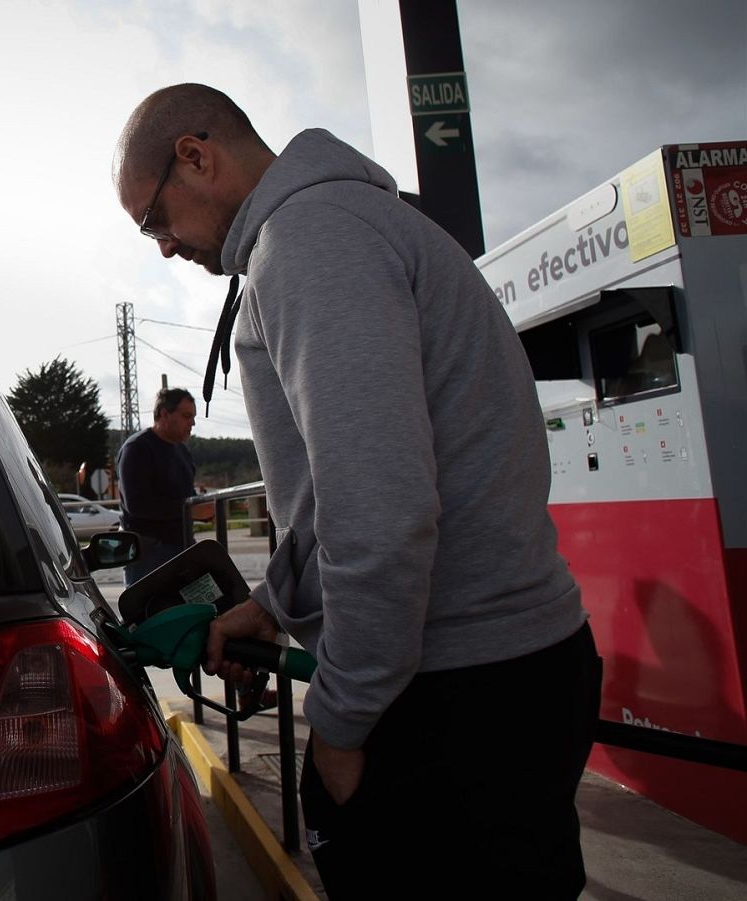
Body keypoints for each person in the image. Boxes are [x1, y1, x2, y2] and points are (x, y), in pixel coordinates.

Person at [114, 84, 601, 897]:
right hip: (500, 673)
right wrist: (275, 603)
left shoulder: (309, 241)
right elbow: (350, 488)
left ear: (195, 156)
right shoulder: (350, 224)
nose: (163, 247)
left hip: (451, 691)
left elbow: (381, 513)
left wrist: (340, 720)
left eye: (153, 220)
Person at [115, 387, 197, 586]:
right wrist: (189, 509)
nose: (192, 423)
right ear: (163, 414)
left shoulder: (182, 451)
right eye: (187, 416)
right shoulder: (137, 448)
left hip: (182, 546)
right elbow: (137, 505)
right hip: (148, 553)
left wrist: (205, 507)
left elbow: (188, 495)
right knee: (147, 614)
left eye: (193, 417)